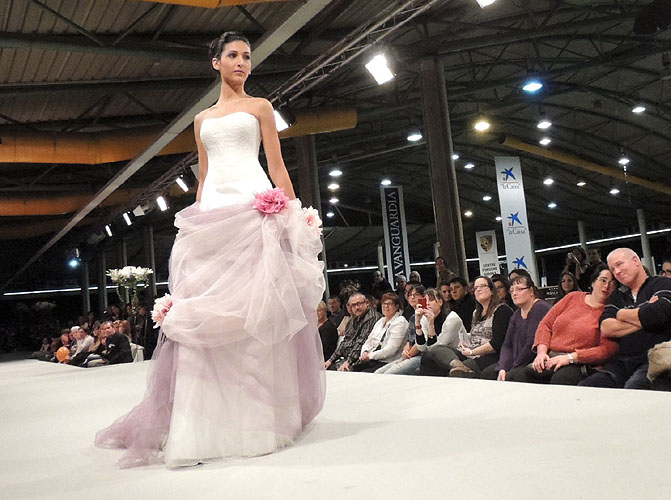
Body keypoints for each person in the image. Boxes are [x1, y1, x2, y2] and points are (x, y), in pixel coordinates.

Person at [95, 32, 326, 468]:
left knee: (257, 311)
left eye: (247, 57)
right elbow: (204, 176)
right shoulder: (201, 119)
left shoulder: (261, 107)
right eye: (233, 55)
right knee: (207, 311)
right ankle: (201, 427)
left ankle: (259, 421)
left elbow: (276, 165)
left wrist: (294, 213)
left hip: (254, 208)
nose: (242, 62)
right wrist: (197, 222)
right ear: (215, 62)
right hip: (213, 214)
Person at [580, 248, 671, 390]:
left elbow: (660, 312)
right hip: (622, 362)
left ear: (635, 261)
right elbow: (606, 328)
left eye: (619, 264)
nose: (616, 271)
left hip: (655, 358)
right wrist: (645, 311)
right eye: (613, 269)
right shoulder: (617, 296)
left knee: (634, 389)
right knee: (587, 387)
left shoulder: (662, 283)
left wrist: (621, 314)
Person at [526, 265, 619, 385]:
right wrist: (541, 353)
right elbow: (546, 324)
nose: (606, 286)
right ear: (593, 282)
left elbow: (606, 350)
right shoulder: (572, 297)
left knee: (561, 379)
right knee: (518, 376)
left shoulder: (610, 311)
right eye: (603, 280)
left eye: (612, 284)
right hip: (552, 355)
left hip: (579, 362)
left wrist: (571, 357)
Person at [420, 276, 513, 378]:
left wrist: (472, 351)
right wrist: (466, 345)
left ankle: (461, 368)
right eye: (475, 288)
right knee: (433, 351)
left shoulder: (501, 310)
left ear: (491, 290)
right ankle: (459, 366)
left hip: (490, 356)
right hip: (471, 353)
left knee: (457, 368)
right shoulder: (476, 313)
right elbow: (474, 337)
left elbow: (496, 344)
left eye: (482, 286)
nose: (478, 289)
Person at [496, 275, 552, 382]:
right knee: (492, 373)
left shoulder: (540, 308)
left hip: (537, 362)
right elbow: (507, 344)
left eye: (519, 289)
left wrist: (512, 368)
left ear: (531, 291)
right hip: (517, 362)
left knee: (512, 377)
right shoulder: (516, 314)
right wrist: (503, 367)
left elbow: (531, 344)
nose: (514, 293)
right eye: (512, 290)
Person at [415, 288, 467, 375]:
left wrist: (431, 325)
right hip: (436, 358)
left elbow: (436, 349)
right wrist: (417, 323)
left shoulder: (452, 319)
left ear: (440, 302)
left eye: (431, 300)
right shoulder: (424, 318)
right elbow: (421, 348)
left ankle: (461, 368)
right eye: (425, 301)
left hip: (457, 355)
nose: (427, 303)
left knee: (426, 359)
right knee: (425, 359)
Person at [376, 284, 426, 375]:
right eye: (410, 295)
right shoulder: (412, 317)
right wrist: (405, 352)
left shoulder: (426, 316)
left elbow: (421, 344)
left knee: (388, 374)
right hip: (408, 355)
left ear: (423, 297)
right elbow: (409, 340)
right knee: (378, 373)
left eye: (416, 295)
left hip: (421, 356)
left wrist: (408, 355)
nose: (412, 297)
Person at [352, 293, 408, 372]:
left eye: (389, 304)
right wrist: (364, 352)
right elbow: (369, 340)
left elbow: (391, 350)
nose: (386, 306)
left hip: (388, 362)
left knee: (364, 374)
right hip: (373, 359)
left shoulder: (400, 321)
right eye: (384, 303)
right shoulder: (380, 321)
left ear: (397, 306)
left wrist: (370, 356)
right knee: (351, 371)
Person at [326, 292, 380, 371]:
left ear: (367, 303)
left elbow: (361, 342)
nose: (356, 307)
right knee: (327, 368)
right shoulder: (353, 318)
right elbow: (345, 341)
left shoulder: (371, 317)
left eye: (359, 304)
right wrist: (330, 360)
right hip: (349, 358)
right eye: (353, 305)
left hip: (363, 359)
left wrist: (348, 362)